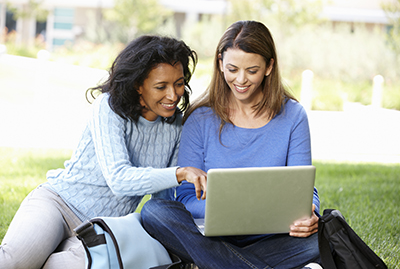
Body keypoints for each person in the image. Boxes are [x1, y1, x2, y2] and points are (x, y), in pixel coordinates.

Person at [0, 35, 207, 269]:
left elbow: (161, 199)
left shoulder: (176, 125)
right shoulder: (109, 108)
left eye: (178, 83)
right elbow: (119, 179)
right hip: (58, 204)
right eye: (161, 86)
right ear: (138, 85)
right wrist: (179, 173)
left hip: (102, 227)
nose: (173, 95)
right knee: (13, 262)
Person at [141, 21, 322, 269]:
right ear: (219, 63)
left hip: (274, 237)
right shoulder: (200, 117)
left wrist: (310, 213)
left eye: (252, 70)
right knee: (155, 212)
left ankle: (214, 263)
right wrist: (226, 209)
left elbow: (303, 187)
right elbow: (184, 196)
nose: (241, 80)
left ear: (269, 66)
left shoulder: (293, 116)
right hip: (212, 233)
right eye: (233, 69)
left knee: (320, 240)